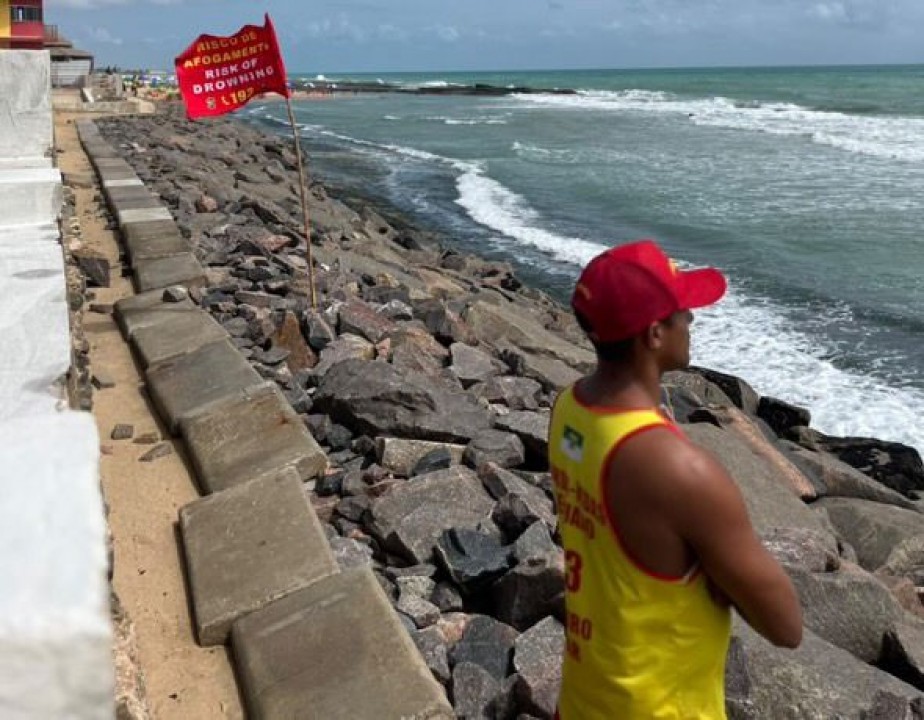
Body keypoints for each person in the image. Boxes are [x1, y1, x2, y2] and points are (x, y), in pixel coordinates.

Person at [548, 239, 802, 719]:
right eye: (682, 311)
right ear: (654, 335)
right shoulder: (679, 470)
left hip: (586, 699)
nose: (691, 321)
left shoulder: (570, 409)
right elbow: (785, 626)